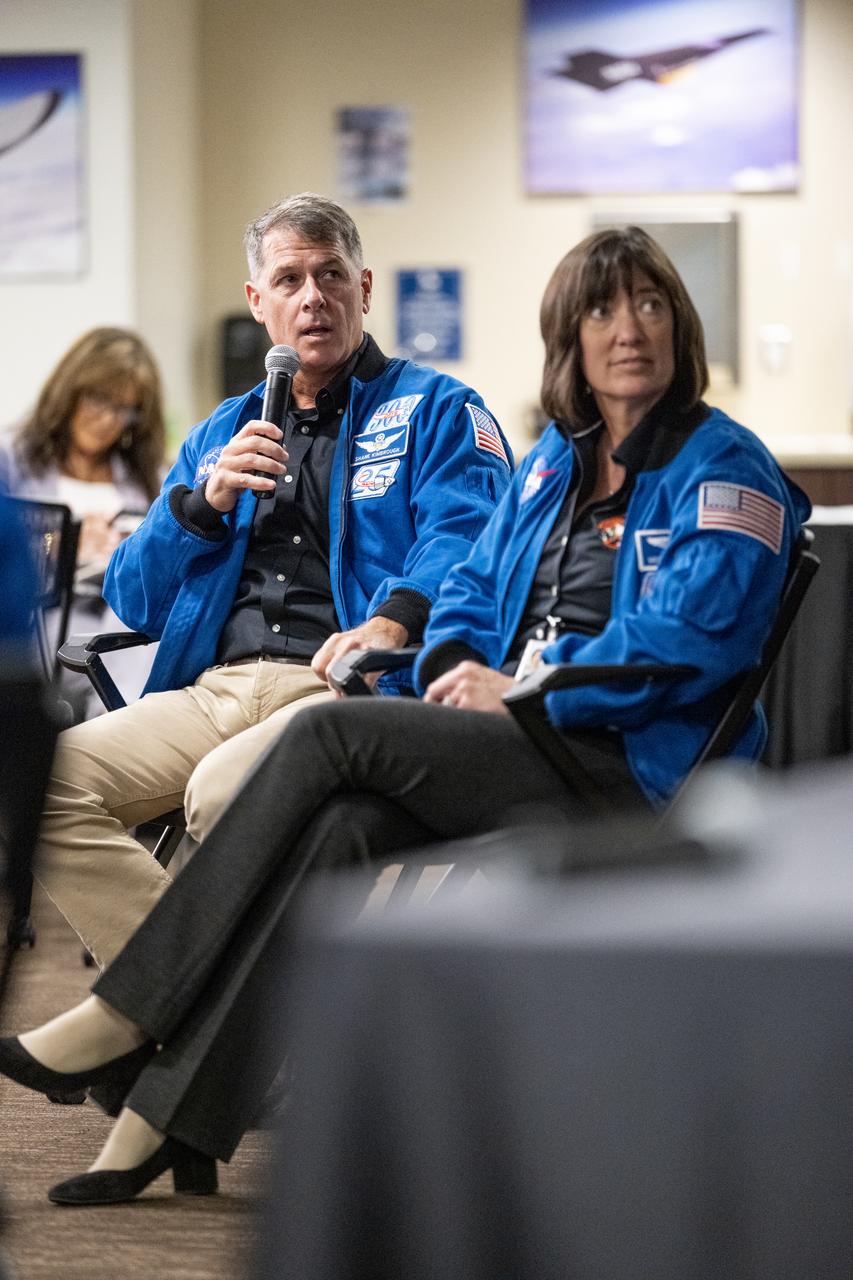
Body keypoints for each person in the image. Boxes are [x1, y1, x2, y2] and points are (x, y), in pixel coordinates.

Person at [0, 226, 810, 1205]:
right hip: (458, 729)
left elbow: (690, 641)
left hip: (625, 758)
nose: (626, 329)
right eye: (599, 309)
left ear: (680, 324)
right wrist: (458, 657)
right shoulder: (557, 459)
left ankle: (130, 1008)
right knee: (334, 822)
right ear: (567, 337)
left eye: (646, 305)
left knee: (322, 736)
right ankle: (167, 1116)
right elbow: (470, 589)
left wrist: (520, 684)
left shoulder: (725, 467)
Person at [33, 192, 512, 969]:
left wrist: (391, 620)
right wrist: (200, 504)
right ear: (259, 304)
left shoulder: (436, 408)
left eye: (330, 275)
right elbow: (131, 594)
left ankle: (183, 1018)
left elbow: (469, 544)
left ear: (363, 288)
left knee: (221, 796)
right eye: (289, 280)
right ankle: (197, 1003)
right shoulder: (221, 432)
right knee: (34, 783)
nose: (312, 296)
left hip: (339, 688)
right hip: (207, 689)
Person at [0, 326, 164, 569]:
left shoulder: (149, 478)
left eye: (124, 409)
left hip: (117, 606)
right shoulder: (12, 459)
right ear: (69, 391)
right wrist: (58, 544)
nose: (108, 420)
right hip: (40, 606)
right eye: (99, 399)